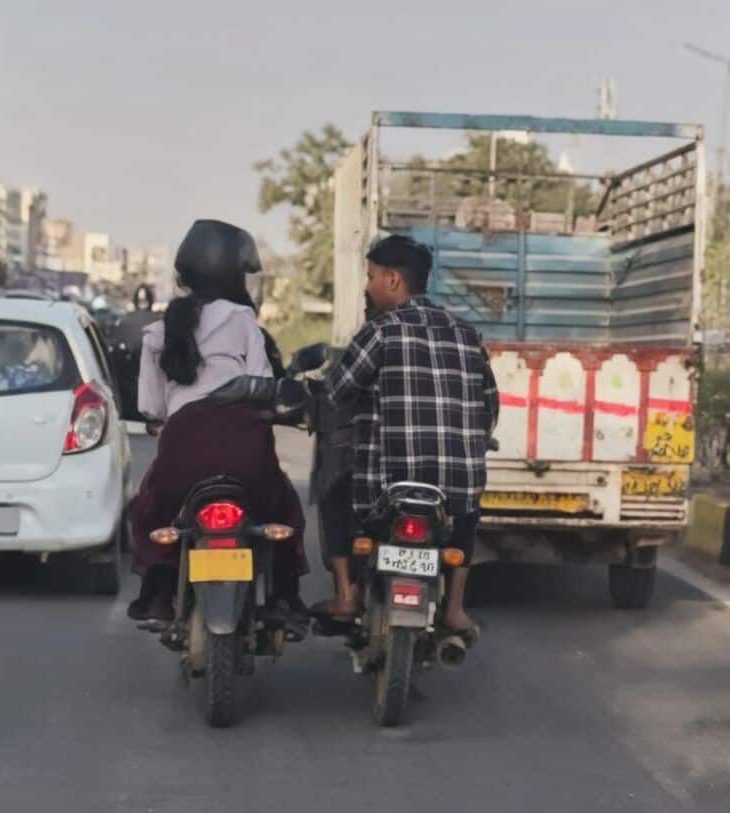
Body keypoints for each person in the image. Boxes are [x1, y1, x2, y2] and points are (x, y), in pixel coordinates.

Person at [127, 219, 308, 627]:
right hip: (245, 448)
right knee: (282, 511)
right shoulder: (242, 320)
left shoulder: (158, 332)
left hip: (181, 449)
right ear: (231, 273)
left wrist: (167, 417)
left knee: (149, 510)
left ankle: (157, 598)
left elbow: (151, 408)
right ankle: (283, 600)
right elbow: (264, 384)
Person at [319, 235, 498, 633]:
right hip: (454, 486)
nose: (368, 286)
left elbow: (336, 391)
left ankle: (346, 596)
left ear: (394, 280)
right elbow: (490, 405)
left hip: (385, 486)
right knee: (467, 513)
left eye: (371, 277)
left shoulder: (380, 332)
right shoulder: (468, 334)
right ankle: (454, 610)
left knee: (333, 490)